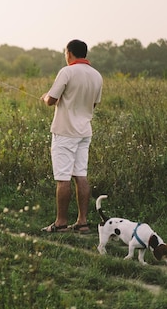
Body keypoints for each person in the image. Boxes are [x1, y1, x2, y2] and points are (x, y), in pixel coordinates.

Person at [41, 39, 103, 234]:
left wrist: (44, 97)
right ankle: (82, 222)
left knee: (63, 178)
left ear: (69, 53)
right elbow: (93, 105)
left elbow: (50, 100)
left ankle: (60, 223)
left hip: (65, 132)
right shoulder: (97, 75)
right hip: (85, 132)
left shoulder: (67, 71)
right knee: (81, 175)